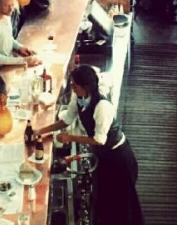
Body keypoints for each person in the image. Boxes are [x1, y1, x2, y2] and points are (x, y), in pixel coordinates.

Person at [36, 65, 143, 225]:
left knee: (122, 202)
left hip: (119, 158)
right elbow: (66, 120)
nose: (72, 87)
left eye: (74, 84)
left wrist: (70, 137)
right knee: (105, 197)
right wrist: (40, 131)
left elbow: (99, 140)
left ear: (85, 87)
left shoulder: (102, 107)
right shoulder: (78, 98)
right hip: (104, 156)